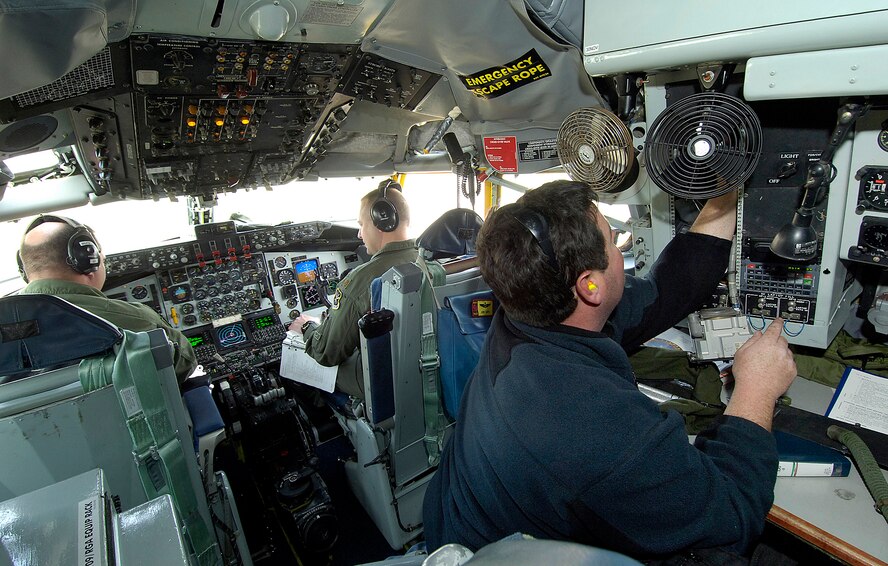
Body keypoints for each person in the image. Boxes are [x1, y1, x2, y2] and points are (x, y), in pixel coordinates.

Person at [422, 180, 797, 562]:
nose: (620, 250)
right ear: (589, 286)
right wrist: (757, 387)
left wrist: (724, 191)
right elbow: (730, 513)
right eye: (613, 241)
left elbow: (666, 291)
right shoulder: (584, 421)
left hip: (465, 525)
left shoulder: (530, 310)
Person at [17, 215, 198, 384]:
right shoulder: (135, 319)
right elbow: (185, 363)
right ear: (88, 260)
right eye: (101, 258)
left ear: (25, 270)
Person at [290, 179, 417, 397]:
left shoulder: (361, 279)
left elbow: (327, 352)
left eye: (361, 224)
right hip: (419, 367)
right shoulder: (427, 260)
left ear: (382, 222)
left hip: (385, 381)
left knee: (310, 358)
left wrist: (305, 328)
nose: (359, 234)